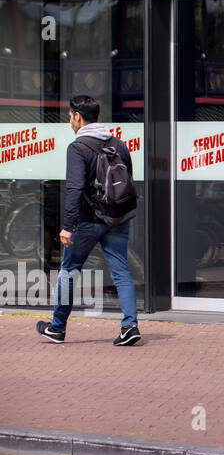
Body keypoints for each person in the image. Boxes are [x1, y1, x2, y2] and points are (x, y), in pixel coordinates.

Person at [37, 95, 141, 346]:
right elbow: (128, 179)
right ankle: (130, 326)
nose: (69, 120)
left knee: (68, 271)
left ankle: (57, 327)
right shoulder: (117, 143)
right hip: (117, 217)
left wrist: (68, 226)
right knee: (121, 271)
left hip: (88, 220)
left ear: (78, 116)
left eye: (70, 115)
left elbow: (73, 189)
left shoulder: (78, 147)